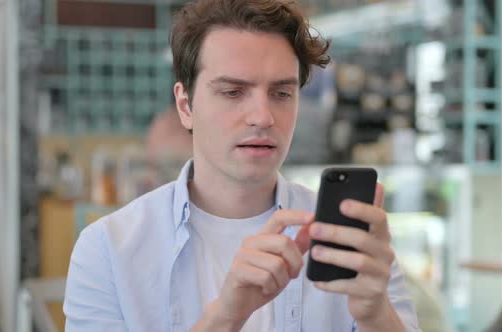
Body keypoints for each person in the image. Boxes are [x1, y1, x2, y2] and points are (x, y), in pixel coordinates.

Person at [63, 0, 421, 330]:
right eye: (233, 92)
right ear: (186, 106)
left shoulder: (351, 240)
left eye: (281, 93)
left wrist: (378, 316)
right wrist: (227, 315)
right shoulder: (109, 250)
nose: (263, 116)